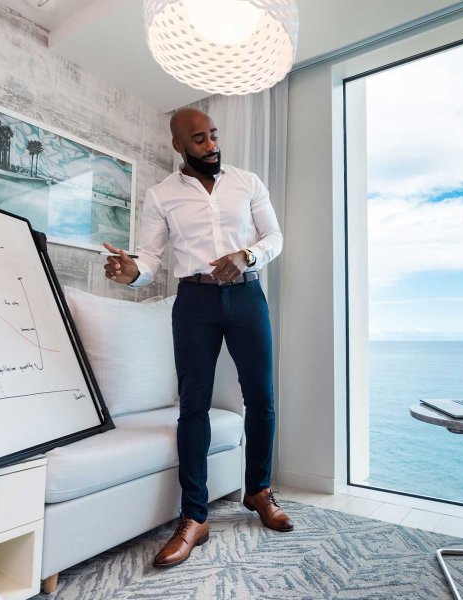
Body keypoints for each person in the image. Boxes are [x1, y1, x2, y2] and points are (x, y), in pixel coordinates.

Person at [102, 107, 292, 569]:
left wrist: (246, 255)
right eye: (199, 139)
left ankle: (259, 492)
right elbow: (148, 258)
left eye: (212, 136)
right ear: (178, 146)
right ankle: (194, 517)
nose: (210, 146)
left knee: (262, 398)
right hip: (194, 303)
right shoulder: (161, 195)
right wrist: (132, 273)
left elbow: (275, 236)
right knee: (193, 405)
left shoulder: (247, 182)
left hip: (246, 296)